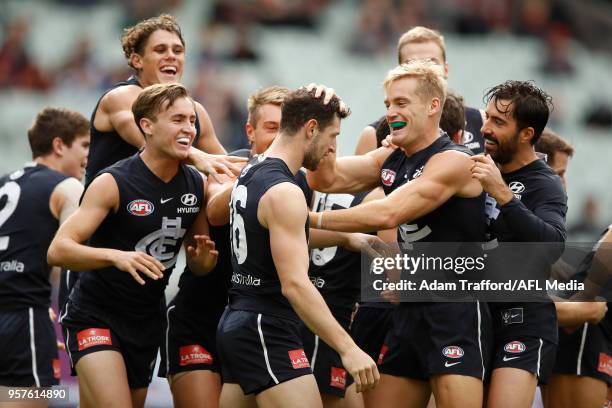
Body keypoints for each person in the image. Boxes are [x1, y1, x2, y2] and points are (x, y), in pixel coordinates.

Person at [307, 60, 489, 408]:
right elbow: (323, 178)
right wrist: (324, 116)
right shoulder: (392, 156)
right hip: (407, 308)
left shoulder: (454, 159)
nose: (391, 112)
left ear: (433, 106)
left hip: (454, 310)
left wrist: (309, 220)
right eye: (388, 104)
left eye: (401, 103)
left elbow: (390, 212)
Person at [58, 13, 243, 313]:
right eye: (160, 50)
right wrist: (196, 155)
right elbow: (152, 144)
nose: (171, 56)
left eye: (178, 50)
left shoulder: (194, 112)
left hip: (150, 262)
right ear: (136, 60)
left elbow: (222, 171)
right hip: (98, 256)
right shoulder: (121, 98)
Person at [48, 83, 218, 408]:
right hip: (95, 313)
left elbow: (197, 258)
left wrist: (202, 263)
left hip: (146, 320)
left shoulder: (195, 184)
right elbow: (59, 250)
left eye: (192, 120)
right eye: (177, 119)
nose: (188, 128)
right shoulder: (113, 182)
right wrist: (116, 257)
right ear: (147, 126)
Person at [216, 88, 379, 408]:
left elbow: (277, 235)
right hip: (267, 326)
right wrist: (348, 348)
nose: (333, 147)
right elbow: (295, 284)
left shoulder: (253, 168)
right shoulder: (285, 191)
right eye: (333, 135)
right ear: (311, 128)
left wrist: (344, 238)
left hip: (240, 319)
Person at [159, 85, 295, 408]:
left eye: (285, 128)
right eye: (271, 128)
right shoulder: (223, 168)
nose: (278, 138)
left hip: (253, 325)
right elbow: (213, 214)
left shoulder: (298, 180)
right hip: (200, 318)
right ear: (250, 131)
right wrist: (260, 175)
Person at [469, 80, 567, 408]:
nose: (485, 129)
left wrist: (504, 196)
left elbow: (553, 244)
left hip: (522, 320)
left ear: (526, 134)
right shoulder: (472, 169)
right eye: (486, 118)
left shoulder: (546, 183)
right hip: (472, 318)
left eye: (498, 122)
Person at [0, 107, 89, 400]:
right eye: (84, 145)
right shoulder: (66, 186)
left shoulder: (4, 182)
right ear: (59, 145)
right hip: (23, 313)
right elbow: (72, 252)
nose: (88, 155)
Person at [354, 26, 485, 155]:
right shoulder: (373, 136)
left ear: (446, 70)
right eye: (412, 65)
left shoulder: (482, 121)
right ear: (400, 72)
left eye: (431, 63)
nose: (423, 72)